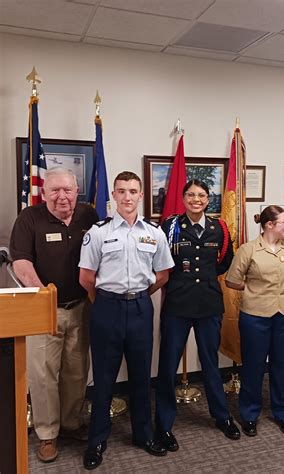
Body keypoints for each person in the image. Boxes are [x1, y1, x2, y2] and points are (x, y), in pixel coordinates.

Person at [79, 171, 174, 470]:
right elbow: (86, 278)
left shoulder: (154, 232)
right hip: (106, 308)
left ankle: (143, 435)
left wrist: (138, 297)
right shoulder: (98, 232)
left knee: (141, 375)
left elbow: (162, 274)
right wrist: (106, 301)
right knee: (104, 378)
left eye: (133, 191)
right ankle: (97, 441)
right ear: (114, 195)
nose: (127, 197)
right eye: (121, 191)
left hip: (141, 309)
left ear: (141, 195)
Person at [9, 167, 98, 462]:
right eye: (55, 190)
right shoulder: (29, 218)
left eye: (67, 190)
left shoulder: (88, 216)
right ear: (44, 193)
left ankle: (70, 423)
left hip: (81, 308)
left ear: (77, 191)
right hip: (44, 309)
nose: (62, 196)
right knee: (43, 374)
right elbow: (21, 262)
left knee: (76, 370)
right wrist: (44, 296)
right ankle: (47, 434)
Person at [155, 179, 240, 452]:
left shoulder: (220, 229)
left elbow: (224, 263)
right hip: (178, 305)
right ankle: (163, 424)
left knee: (210, 363)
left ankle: (222, 416)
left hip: (208, 305)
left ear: (208, 199)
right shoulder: (170, 227)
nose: (196, 199)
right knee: (168, 365)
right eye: (191, 195)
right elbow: (160, 261)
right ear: (183, 199)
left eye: (201, 195)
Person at [225, 206, 284, 437]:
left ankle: (282, 413)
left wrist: (283, 287)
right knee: (253, 367)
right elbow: (232, 281)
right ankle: (249, 414)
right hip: (255, 316)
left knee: (282, 366)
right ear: (269, 225)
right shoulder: (248, 249)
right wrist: (256, 288)